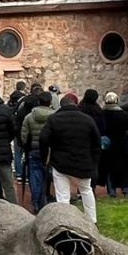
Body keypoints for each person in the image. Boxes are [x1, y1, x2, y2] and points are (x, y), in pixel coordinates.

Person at [38, 92, 102, 224]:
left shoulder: (53, 119)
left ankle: (65, 222)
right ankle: (92, 220)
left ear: (60, 105)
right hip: (83, 162)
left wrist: (45, 157)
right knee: (86, 190)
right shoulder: (87, 119)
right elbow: (97, 143)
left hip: (60, 163)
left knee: (62, 196)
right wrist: (94, 162)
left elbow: (43, 138)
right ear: (76, 104)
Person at [20, 91, 55, 212]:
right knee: (47, 176)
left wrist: (26, 146)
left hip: (34, 149)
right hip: (50, 151)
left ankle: (35, 201)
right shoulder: (54, 117)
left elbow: (24, 135)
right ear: (50, 102)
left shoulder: (29, 117)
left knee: (35, 176)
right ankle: (44, 200)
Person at [100, 92, 128, 197]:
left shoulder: (102, 114)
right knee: (124, 167)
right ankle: (126, 189)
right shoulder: (123, 114)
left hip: (107, 145)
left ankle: (112, 190)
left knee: (109, 168)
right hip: (122, 144)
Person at [8, 81, 28, 185]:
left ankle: (19, 173)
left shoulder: (11, 99)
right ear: (24, 88)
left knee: (17, 153)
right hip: (24, 129)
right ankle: (26, 174)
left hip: (16, 129)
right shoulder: (25, 100)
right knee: (26, 152)